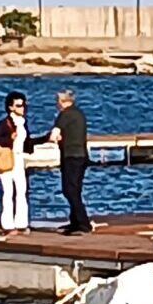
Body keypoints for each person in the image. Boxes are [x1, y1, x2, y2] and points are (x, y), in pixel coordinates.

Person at [0, 91, 39, 230]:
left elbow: (27, 142)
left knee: (22, 190)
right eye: (19, 105)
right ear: (11, 107)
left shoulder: (23, 123)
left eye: (24, 105)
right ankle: (7, 223)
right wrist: (10, 138)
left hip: (19, 158)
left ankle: (21, 222)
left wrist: (45, 138)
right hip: (7, 159)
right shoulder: (4, 123)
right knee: (8, 191)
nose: (23, 108)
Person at [52, 88, 93, 233]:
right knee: (75, 189)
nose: (57, 104)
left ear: (63, 101)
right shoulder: (79, 114)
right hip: (81, 155)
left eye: (57, 101)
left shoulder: (65, 115)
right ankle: (75, 221)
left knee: (70, 190)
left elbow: (54, 135)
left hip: (70, 156)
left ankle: (83, 223)